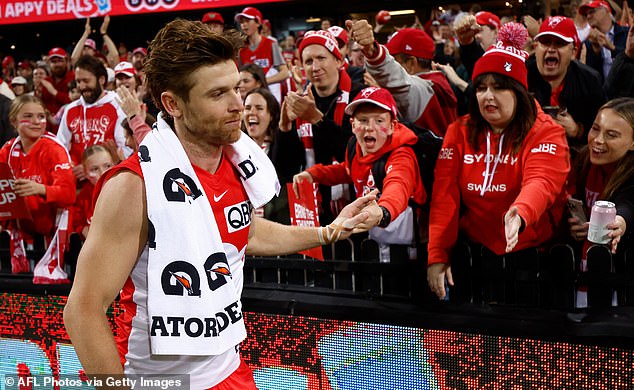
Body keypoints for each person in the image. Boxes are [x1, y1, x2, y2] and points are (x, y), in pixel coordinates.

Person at [63, 19, 376, 389]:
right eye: (217, 95)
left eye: (236, 88)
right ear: (172, 104)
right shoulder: (134, 186)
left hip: (229, 367)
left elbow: (243, 230)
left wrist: (328, 231)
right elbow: (82, 311)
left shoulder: (235, 158)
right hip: (160, 379)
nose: (237, 106)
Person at [426, 23, 571, 300]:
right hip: (475, 254)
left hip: (533, 255)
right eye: (481, 88)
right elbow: (444, 197)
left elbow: (542, 180)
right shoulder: (459, 130)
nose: (488, 96)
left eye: (499, 87)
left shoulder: (546, 130)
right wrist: (437, 253)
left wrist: (521, 211)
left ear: (518, 91)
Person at [292, 87, 425, 258]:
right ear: (353, 125)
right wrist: (314, 174)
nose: (370, 128)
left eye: (379, 121)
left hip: (408, 251)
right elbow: (347, 171)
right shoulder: (355, 147)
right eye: (363, 120)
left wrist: (383, 211)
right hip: (375, 242)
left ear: (392, 126)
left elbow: (398, 185)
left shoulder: (402, 155)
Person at [278, 29, 365, 225]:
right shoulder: (300, 104)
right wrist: (284, 128)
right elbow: (285, 170)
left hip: (357, 208)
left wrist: (317, 119)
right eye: (308, 61)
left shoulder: (360, 97)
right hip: (313, 211)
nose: (315, 66)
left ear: (339, 61)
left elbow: (357, 155)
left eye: (321, 58)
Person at [0, 95, 76, 266]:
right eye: (28, 116)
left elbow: (69, 194)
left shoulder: (55, 149)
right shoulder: (6, 150)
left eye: (41, 116)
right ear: (14, 121)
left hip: (51, 237)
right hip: (19, 236)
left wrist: (40, 189)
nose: (36, 121)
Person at [527, 16, 606, 152]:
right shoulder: (521, 75)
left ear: (573, 52)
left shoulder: (590, 80)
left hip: (574, 157)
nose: (551, 49)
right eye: (545, 42)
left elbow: (604, 130)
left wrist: (577, 130)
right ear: (536, 48)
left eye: (559, 43)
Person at [346, 21, 441, 134]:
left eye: (394, 60)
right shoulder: (438, 80)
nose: (391, 61)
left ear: (411, 63)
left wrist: (373, 52)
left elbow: (402, 82)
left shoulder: (426, 89)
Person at [568, 97, 633, 255]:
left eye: (611, 135)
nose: (598, 140)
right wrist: (577, 226)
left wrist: (619, 223)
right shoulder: (583, 159)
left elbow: (629, 204)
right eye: (595, 128)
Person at [57, 55, 130, 180]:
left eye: (86, 81)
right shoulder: (70, 109)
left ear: (101, 80)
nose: (82, 86)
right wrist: (69, 166)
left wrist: (95, 167)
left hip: (109, 180)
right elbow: (60, 147)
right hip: (77, 183)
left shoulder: (117, 105)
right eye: (78, 81)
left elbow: (126, 148)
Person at [243, 87, 303, 222]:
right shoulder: (235, 150)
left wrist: (285, 127)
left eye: (259, 108)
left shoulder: (281, 145)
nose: (252, 112)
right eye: (247, 108)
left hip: (277, 225)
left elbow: (285, 168)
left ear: (271, 115)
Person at [235, 6, 290, 103]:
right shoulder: (241, 49)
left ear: (258, 22)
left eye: (247, 21)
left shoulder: (271, 44)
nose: (244, 25)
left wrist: (260, 82)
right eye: (242, 22)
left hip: (271, 95)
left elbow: (285, 73)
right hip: (250, 98)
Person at [70, 144, 118, 239]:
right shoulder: (83, 198)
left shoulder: (124, 190)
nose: (102, 173)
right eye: (95, 169)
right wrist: (84, 230)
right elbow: (77, 223)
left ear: (114, 165)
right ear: (85, 172)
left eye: (107, 166)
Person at [579, 0, 629, 82]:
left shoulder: (627, 34)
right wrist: (595, 53)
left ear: (606, 10)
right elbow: (588, 77)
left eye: (592, 12)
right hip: (601, 93)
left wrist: (613, 48)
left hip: (627, 91)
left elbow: (631, 61)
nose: (588, 16)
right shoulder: (587, 43)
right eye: (586, 14)